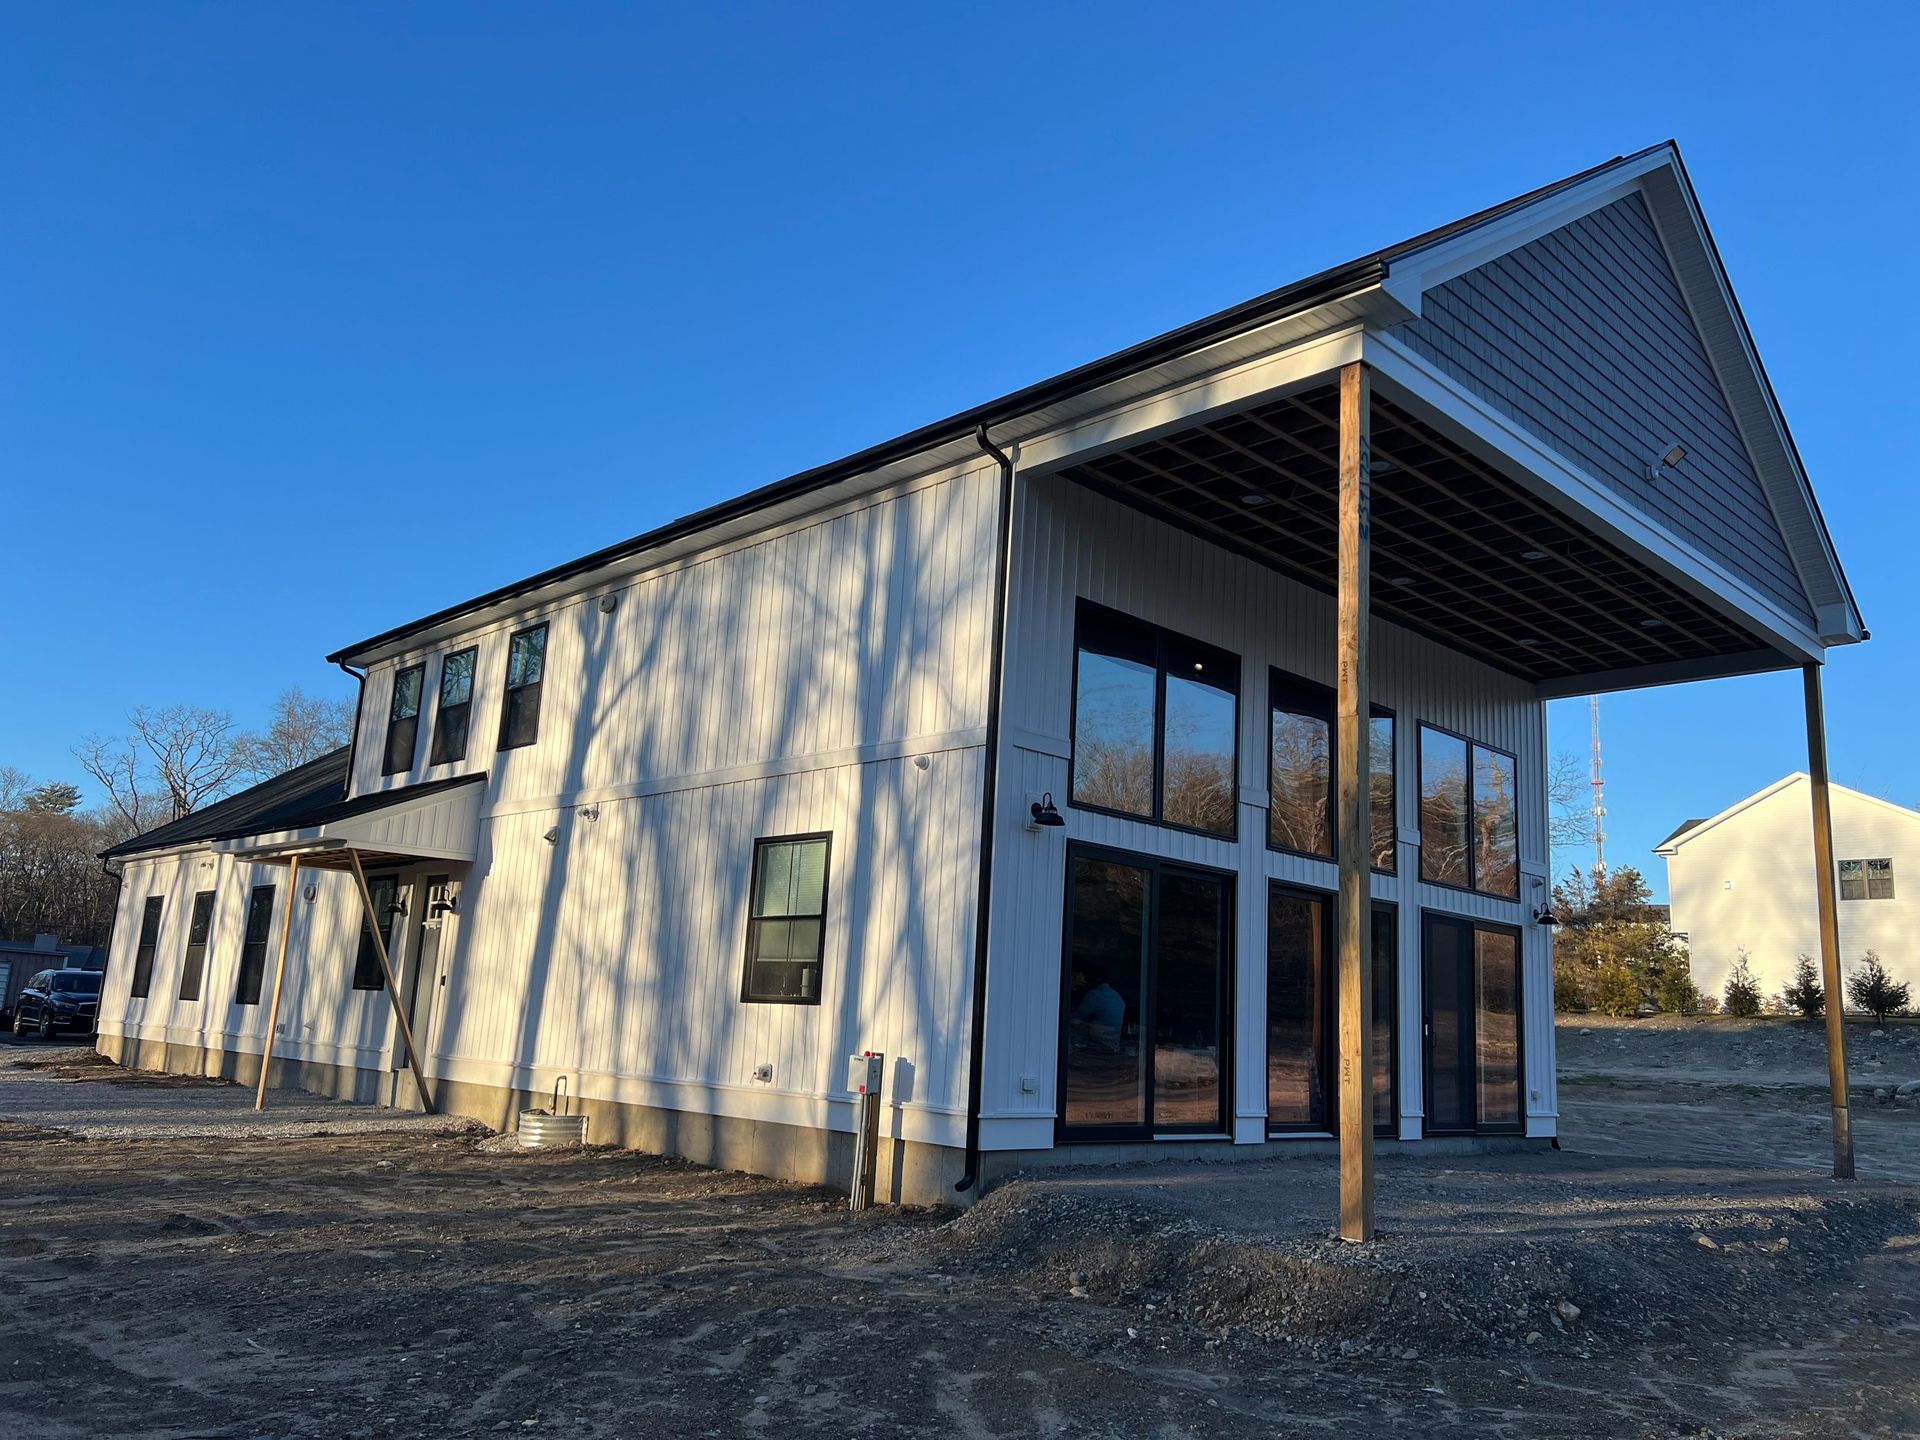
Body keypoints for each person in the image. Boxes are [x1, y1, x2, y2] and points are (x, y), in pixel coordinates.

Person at [1072, 967, 1126, 1053]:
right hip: (1114, 1046)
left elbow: (1074, 1019)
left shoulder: (1094, 995)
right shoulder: (1116, 995)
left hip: (1099, 1047)